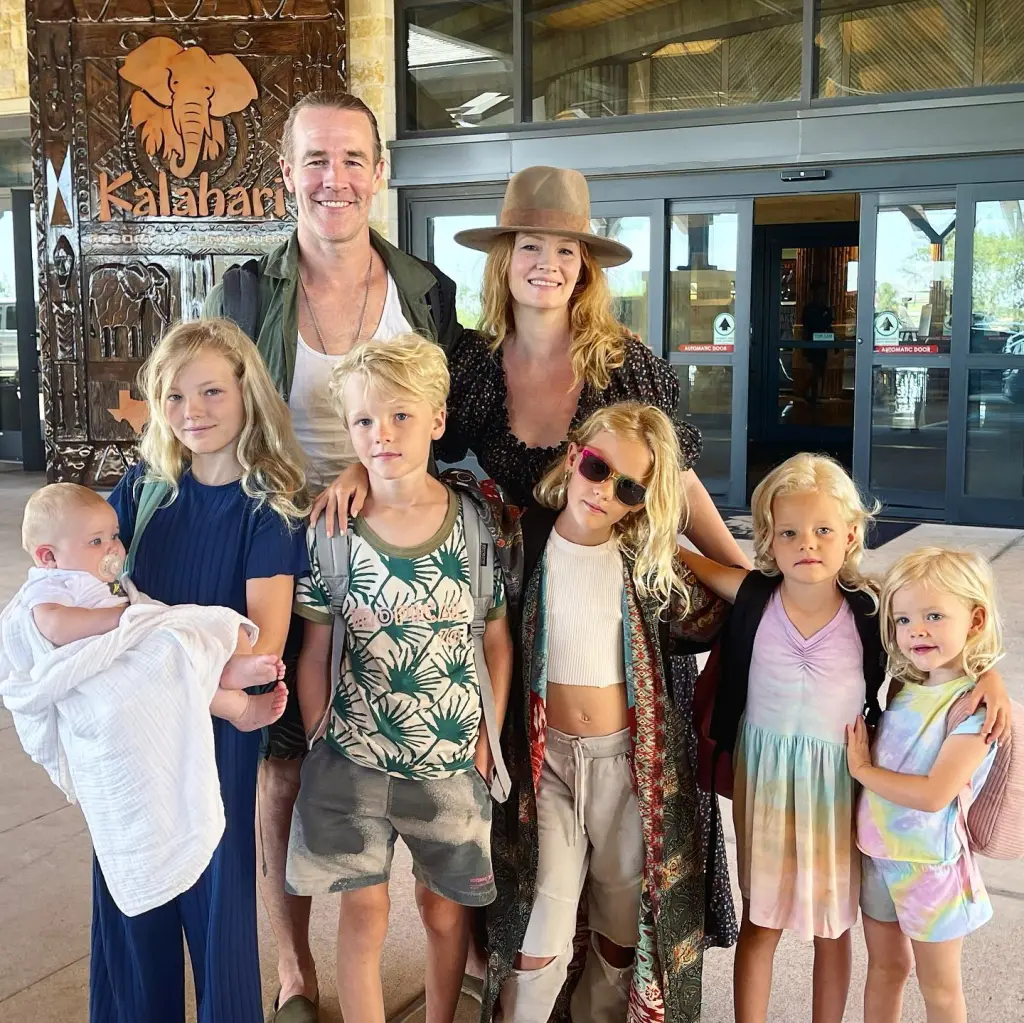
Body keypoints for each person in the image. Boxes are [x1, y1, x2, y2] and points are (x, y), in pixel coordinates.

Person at [315, 164, 748, 949]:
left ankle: (623, 964)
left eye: (566, 250)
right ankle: (526, 953)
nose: (547, 262)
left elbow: (677, 481)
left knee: (627, 791)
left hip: (618, 606)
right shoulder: (473, 364)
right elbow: (410, 437)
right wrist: (360, 465)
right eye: (530, 246)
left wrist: (742, 572)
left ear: (584, 268)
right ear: (504, 258)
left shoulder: (628, 364)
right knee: (532, 786)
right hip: (520, 602)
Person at [203, 91, 463, 1021]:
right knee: (287, 762)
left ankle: (447, 933)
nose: (334, 179)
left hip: (392, 546)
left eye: (352, 158)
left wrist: (368, 466)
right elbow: (210, 416)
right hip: (280, 549)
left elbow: (442, 416)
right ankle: (293, 967)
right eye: (315, 159)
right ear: (287, 173)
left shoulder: (426, 291)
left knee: (408, 739)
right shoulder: (246, 290)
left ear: (380, 171)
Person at [678, 453, 1010, 1023]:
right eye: (790, 532)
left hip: (840, 783)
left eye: (824, 530)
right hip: (767, 783)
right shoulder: (754, 597)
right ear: (769, 540)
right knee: (762, 922)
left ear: (852, 534)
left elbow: (940, 634)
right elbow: (681, 556)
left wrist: (992, 676)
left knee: (834, 928)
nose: (807, 543)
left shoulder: (871, 611)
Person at [287, 334, 515, 1023]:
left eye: (400, 417)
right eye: (364, 421)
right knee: (363, 909)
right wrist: (321, 729)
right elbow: (317, 641)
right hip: (355, 757)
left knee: (443, 913)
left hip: (450, 763)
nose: (381, 435)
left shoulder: (474, 524)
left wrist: (488, 734)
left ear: (437, 420)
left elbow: (496, 637)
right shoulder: (332, 529)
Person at [90, 319, 309, 1023]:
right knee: (131, 889)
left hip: (218, 735)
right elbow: (91, 608)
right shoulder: (140, 490)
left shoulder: (267, 507)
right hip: (134, 730)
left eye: (212, 390)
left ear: (248, 393)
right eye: (174, 396)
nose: (193, 412)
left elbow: (258, 655)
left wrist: (153, 656)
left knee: (217, 900)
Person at [490, 402, 728, 1023]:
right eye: (596, 468)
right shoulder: (521, 540)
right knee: (541, 922)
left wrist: (675, 547)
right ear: (574, 456)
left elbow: (736, 605)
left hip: (630, 769)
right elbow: (444, 497)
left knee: (621, 932)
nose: (604, 491)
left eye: (628, 487)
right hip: (548, 769)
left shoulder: (645, 569)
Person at [848, 547, 1003, 1023]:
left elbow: (936, 794)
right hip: (878, 856)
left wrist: (864, 771)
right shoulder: (903, 685)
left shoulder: (974, 709)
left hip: (930, 868)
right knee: (886, 968)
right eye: (904, 619)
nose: (916, 629)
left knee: (939, 988)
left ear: (974, 620)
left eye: (935, 615)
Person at [12, 482, 288, 732]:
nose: (113, 549)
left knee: (223, 621)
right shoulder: (52, 584)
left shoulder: (95, 575)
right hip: (111, 651)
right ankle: (242, 709)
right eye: (96, 541)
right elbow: (55, 625)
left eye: (115, 536)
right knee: (173, 663)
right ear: (48, 556)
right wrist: (122, 618)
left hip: (136, 627)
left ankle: (233, 662)